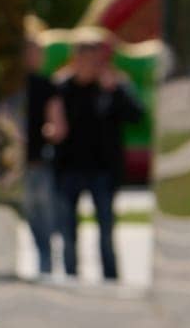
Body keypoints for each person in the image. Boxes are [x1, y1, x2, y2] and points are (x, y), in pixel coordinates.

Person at [53, 28, 143, 282]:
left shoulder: (114, 85)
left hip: (103, 170)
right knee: (68, 230)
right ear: (75, 59)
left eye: (96, 60)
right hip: (69, 168)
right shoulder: (61, 87)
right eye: (86, 59)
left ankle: (111, 278)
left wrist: (115, 91)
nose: (91, 66)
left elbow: (137, 116)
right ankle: (70, 277)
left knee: (106, 229)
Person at [23, 33, 67, 278]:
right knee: (43, 223)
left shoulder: (11, 86)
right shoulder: (45, 85)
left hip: (30, 163)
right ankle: (45, 268)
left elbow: (57, 127)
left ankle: (45, 267)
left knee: (39, 222)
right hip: (35, 162)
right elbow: (58, 128)